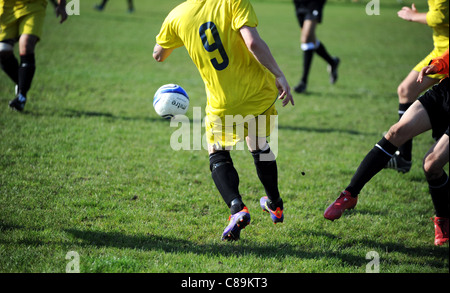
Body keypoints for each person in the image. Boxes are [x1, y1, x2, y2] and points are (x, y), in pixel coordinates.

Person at [153, 0, 294, 241]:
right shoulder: (234, 2)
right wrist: (278, 74)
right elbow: (252, 42)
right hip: (257, 92)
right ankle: (275, 203)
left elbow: (158, 54)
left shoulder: (176, 16)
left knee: (217, 151)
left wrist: (179, 37)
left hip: (222, 102)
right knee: (259, 144)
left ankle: (237, 208)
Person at [324, 49, 449, 246]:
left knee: (431, 165)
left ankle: (443, 219)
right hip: (446, 90)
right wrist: (438, 64)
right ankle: (350, 194)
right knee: (395, 132)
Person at [386, 0, 449, 173]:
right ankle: (404, 158)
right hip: (439, 49)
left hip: (447, 53)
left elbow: (441, 17)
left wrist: (414, 17)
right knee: (406, 90)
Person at [0, 0, 68, 112]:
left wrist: (61, 5)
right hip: (7, 6)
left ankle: (21, 96)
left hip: (34, 5)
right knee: (2, 51)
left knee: (26, 44)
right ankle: (22, 82)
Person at [292, 0, 340, 93]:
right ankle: (332, 62)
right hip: (299, 3)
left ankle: (303, 82)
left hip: (314, 2)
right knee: (310, 40)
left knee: (306, 38)